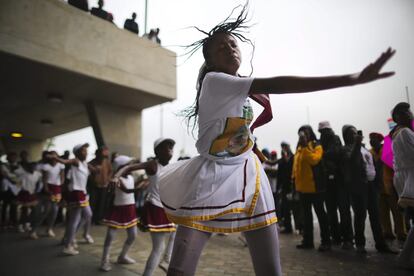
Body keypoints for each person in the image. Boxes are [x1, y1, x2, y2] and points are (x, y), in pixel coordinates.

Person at [144, 3, 394, 275]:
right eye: (221, 48)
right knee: (180, 269)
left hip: (248, 175)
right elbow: (279, 83)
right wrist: (352, 78)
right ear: (211, 61)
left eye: (233, 44)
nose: (230, 49)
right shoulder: (216, 81)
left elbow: (242, 127)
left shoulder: (238, 88)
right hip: (211, 177)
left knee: (270, 269)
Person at [112, 138, 176, 275]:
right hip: (156, 207)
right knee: (158, 248)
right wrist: (116, 177)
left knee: (176, 232)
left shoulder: (170, 167)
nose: (170, 147)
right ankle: (163, 262)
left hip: (165, 208)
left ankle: (166, 260)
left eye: (172, 146)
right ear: (157, 150)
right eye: (167, 145)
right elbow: (128, 167)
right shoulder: (153, 165)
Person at [341, 125, 395, 254]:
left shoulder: (364, 148)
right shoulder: (346, 149)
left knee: (376, 216)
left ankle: (381, 244)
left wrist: (378, 182)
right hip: (359, 187)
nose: (355, 135)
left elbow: (372, 165)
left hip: (371, 186)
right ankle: (360, 244)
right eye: (352, 133)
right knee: (360, 216)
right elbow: (352, 161)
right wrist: (357, 144)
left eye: (356, 133)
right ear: (346, 136)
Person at [55, 143, 99, 255]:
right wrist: (55, 158)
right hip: (76, 193)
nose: (86, 152)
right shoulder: (76, 161)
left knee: (88, 215)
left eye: (86, 150)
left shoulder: (85, 164)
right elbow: (65, 162)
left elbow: (94, 170)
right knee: (74, 220)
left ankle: (70, 238)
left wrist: (97, 169)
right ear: (77, 153)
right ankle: (67, 245)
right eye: (83, 150)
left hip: (82, 193)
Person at [293, 125, 331, 251]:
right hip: (303, 188)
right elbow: (296, 166)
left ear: (310, 133)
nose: (302, 136)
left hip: (315, 188)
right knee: (306, 216)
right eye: (300, 134)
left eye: (305, 133)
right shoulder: (298, 147)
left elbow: (314, 160)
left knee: (321, 215)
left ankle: (326, 242)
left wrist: (305, 147)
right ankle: (308, 241)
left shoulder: (316, 145)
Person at [100, 155, 139, 272]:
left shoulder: (131, 177)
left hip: (130, 209)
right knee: (110, 236)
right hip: (118, 209)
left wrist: (143, 181)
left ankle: (122, 256)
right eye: (128, 164)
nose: (130, 167)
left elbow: (131, 188)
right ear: (121, 167)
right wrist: (141, 187)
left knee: (133, 236)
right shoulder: (117, 179)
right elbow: (127, 190)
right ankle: (104, 260)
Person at [319, 121, 353, 249]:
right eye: (322, 132)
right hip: (327, 183)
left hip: (339, 181)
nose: (324, 134)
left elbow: (335, 153)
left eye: (325, 131)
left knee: (344, 211)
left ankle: (348, 238)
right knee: (331, 212)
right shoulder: (320, 142)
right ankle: (336, 237)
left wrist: (323, 154)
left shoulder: (335, 139)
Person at [370, 132, 406, 241]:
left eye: (374, 138)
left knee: (397, 212)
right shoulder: (370, 152)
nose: (372, 141)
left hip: (390, 185)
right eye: (370, 139)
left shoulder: (387, 150)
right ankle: (387, 232)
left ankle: (401, 232)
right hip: (378, 187)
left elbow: (393, 164)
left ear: (379, 140)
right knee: (383, 212)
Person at [390, 102, 414, 269]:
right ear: (397, 117)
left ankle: (404, 258)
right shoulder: (405, 132)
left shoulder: (396, 134)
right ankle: (405, 259)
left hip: (404, 179)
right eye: (404, 112)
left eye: (409, 110)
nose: (409, 113)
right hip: (410, 179)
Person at [15, 162, 42, 239]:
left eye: (34, 166)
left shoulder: (37, 174)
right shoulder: (24, 175)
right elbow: (18, 184)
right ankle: (20, 225)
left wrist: (37, 190)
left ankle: (27, 223)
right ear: (28, 168)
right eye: (31, 167)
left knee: (34, 210)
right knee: (24, 210)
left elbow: (39, 182)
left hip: (32, 193)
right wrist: (19, 191)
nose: (33, 168)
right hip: (24, 193)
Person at [89, 146, 112, 224]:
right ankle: (91, 219)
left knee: (102, 204)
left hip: (104, 186)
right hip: (94, 187)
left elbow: (110, 172)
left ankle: (99, 219)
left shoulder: (107, 162)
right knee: (93, 203)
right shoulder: (92, 162)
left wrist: (108, 180)